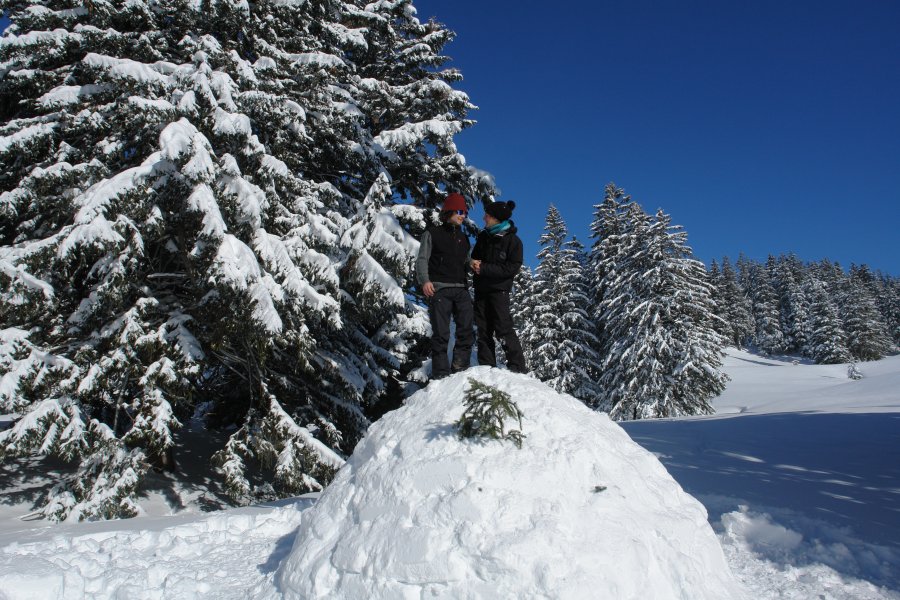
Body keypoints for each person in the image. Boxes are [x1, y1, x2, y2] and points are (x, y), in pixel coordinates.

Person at [416, 193, 475, 379]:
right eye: (459, 211)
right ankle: (440, 376)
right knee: (441, 334)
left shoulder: (464, 239)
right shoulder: (432, 233)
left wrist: (473, 264)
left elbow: (466, 261)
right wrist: (425, 280)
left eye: (464, 212)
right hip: (439, 289)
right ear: (448, 211)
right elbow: (422, 259)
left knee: (466, 330)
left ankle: (459, 370)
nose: (462, 215)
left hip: (461, 289)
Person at [470, 200, 527, 373]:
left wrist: (484, 268)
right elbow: (475, 258)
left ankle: (517, 367)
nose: (484, 217)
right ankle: (487, 367)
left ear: (496, 218)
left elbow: (511, 268)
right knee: (483, 329)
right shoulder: (483, 237)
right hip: (481, 290)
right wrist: (472, 264)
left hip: (499, 291)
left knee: (503, 328)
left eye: (487, 215)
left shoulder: (513, 241)